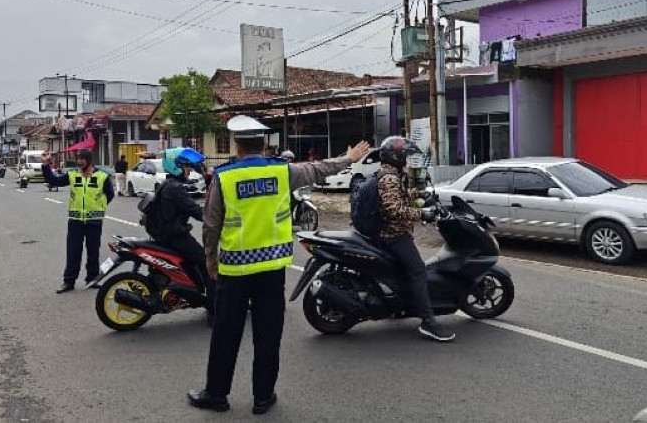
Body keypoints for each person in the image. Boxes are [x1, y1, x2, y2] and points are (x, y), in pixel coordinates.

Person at [188, 115, 370, 414]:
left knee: (226, 333)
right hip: (272, 268)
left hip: (234, 269)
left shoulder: (224, 176)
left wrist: (210, 257)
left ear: (237, 145)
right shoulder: (283, 171)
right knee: (268, 334)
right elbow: (319, 169)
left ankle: (216, 394)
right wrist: (348, 158)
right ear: (265, 144)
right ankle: (263, 397)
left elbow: (211, 223)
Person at [375, 136, 455, 342]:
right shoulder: (390, 178)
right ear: (395, 156)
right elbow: (394, 209)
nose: (407, 160)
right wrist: (422, 214)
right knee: (418, 271)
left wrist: (420, 196)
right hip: (393, 235)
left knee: (405, 272)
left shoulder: (390, 174)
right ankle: (428, 321)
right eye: (405, 155)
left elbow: (399, 198)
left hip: (392, 232)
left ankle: (398, 305)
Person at [42, 149, 114, 293]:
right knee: (73, 251)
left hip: (94, 221)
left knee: (93, 251)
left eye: (81, 159)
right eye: (77, 159)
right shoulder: (73, 174)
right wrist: (46, 165)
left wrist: (99, 206)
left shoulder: (102, 176)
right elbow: (53, 180)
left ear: (89, 160)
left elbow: (110, 194)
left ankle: (92, 279)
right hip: (75, 221)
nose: (79, 161)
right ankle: (69, 282)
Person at [154, 147, 214, 317]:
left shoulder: (167, 184)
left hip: (167, 235)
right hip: (176, 237)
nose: (189, 170)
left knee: (195, 263)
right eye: (186, 167)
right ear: (176, 167)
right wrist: (213, 220)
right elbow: (194, 209)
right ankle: (214, 310)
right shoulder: (174, 188)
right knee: (207, 265)